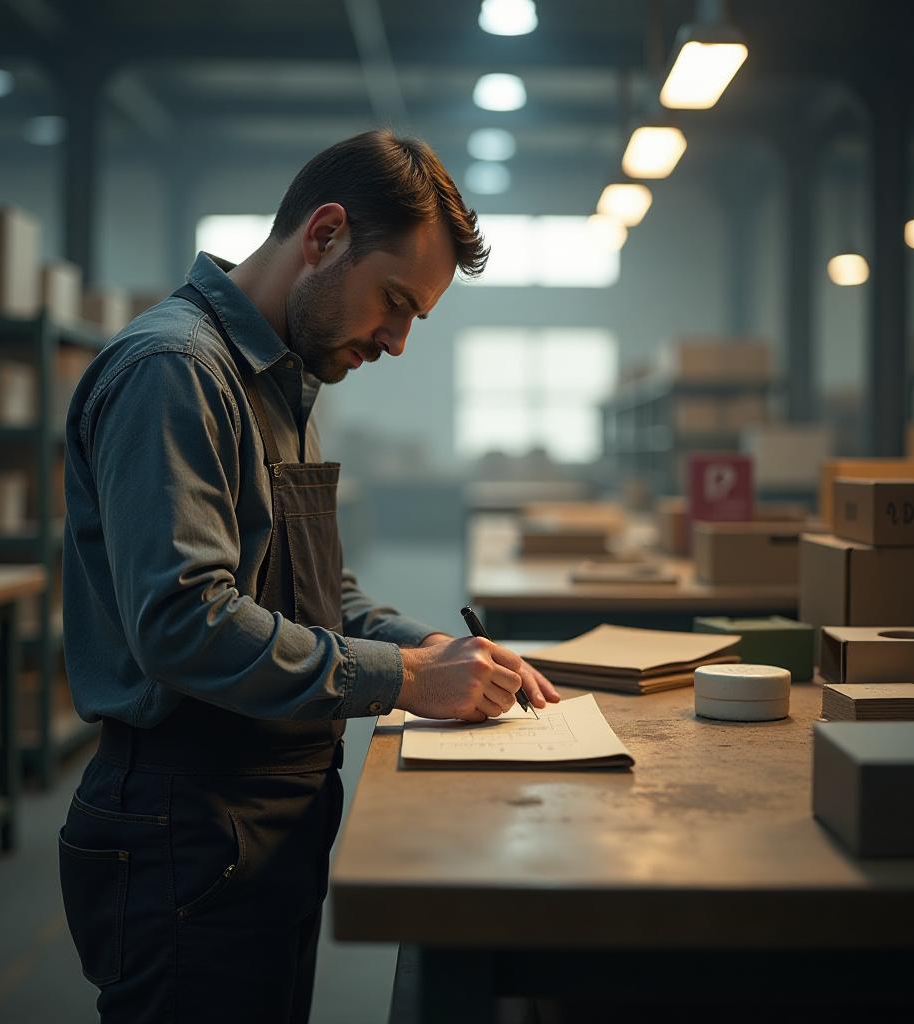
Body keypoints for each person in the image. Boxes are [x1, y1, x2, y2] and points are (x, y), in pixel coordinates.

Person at [58, 128, 560, 1023]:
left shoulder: (279, 378)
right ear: (324, 235)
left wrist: (441, 652)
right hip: (189, 825)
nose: (400, 341)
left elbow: (317, 593)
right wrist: (407, 680)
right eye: (395, 301)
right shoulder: (175, 371)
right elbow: (185, 622)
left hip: (265, 819)